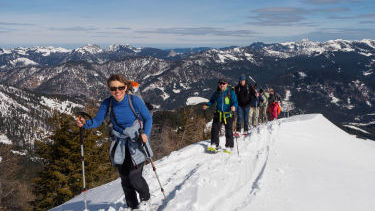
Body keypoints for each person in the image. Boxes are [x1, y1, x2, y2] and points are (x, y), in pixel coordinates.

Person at [76, 74, 153, 210]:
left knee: (134, 177)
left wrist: (145, 134)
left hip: (136, 142)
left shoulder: (134, 100)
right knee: (125, 179)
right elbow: (98, 120)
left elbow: (148, 118)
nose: (117, 91)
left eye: (120, 87)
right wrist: (85, 124)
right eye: (113, 88)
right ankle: (132, 206)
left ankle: (145, 199)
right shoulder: (107, 103)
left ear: (125, 88)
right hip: (119, 144)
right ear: (109, 89)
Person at [203, 78, 238, 152]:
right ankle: (214, 144)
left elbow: (235, 102)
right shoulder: (217, 92)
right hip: (218, 114)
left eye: (223, 83)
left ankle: (229, 146)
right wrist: (207, 105)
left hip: (228, 115)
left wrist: (234, 107)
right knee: (214, 129)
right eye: (220, 83)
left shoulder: (230, 92)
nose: (222, 85)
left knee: (228, 131)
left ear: (227, 84)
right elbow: (212, 100)